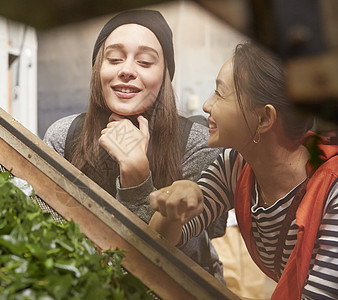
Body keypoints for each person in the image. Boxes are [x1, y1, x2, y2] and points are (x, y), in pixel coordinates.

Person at [43, 9, 224, 280]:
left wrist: (137, 180)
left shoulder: (197, 144)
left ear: (165, 74)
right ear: (98, 68)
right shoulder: (63, 135)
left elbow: (174, 264)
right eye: (114, 59)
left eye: (146, 62)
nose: (126, 70)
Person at [149, 41, 338, 299]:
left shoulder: (333, 193)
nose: (206, 105)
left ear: (263, 119)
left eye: (219, 93)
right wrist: (178, 200)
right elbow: (161, 239)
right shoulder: (235, 167)